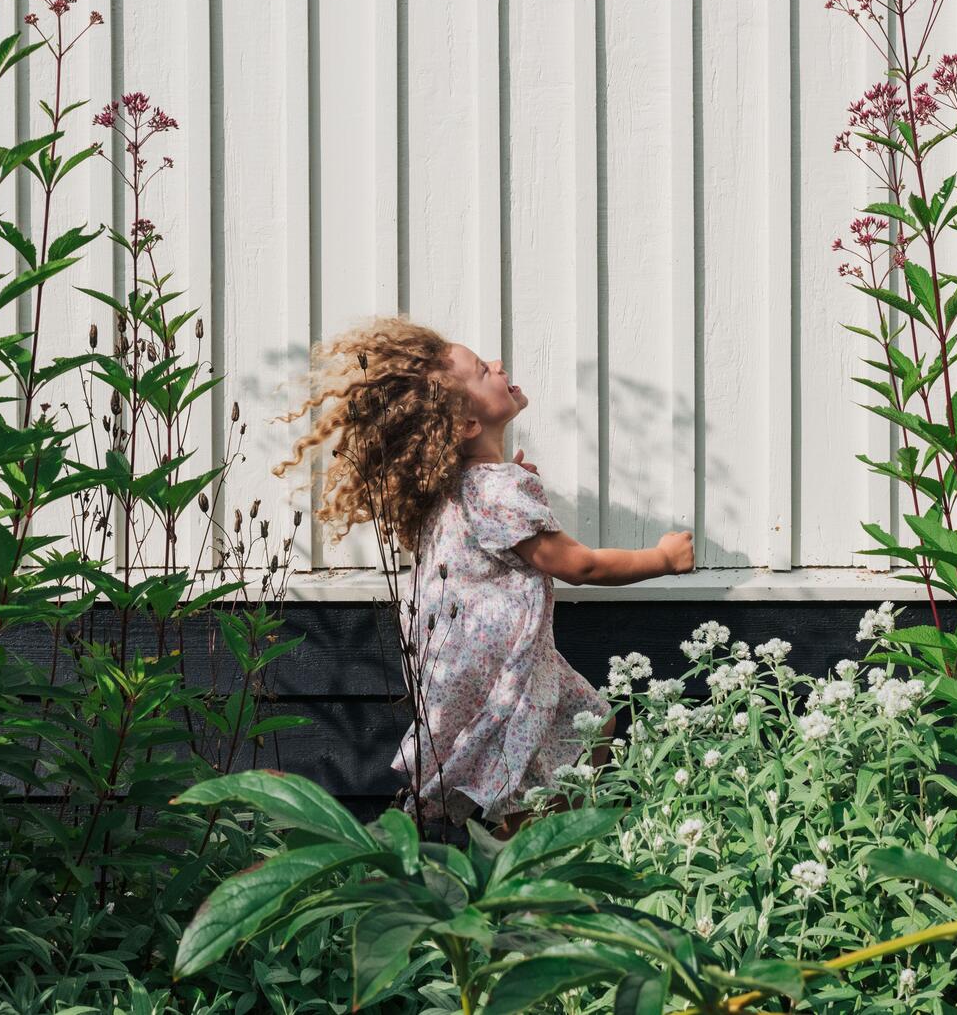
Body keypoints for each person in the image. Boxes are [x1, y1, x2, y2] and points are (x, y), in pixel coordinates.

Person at [277, 316, 694, 834]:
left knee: (589, 722)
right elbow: (578, 566)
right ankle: (521, 857)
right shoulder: (496, 493)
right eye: (482, 370)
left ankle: (529, 845)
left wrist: (518, 487)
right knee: (538, 765)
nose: (498, 365)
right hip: (500, 671)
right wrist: (662, 559)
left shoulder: (466, 485)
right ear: (469, 425)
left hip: (468, 660)